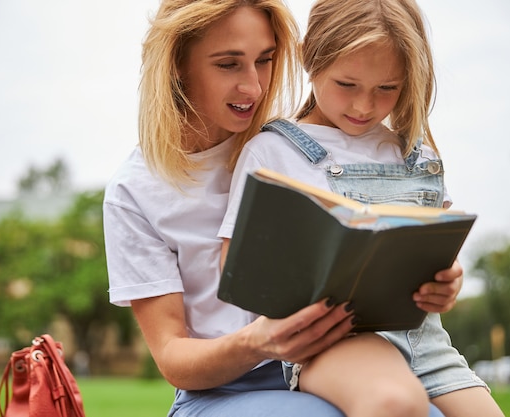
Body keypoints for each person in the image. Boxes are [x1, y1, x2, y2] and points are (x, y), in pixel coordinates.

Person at [218, 1, 505, 417]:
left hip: (427, 347)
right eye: (347, 85)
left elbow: (436, 258)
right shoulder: (272, 152)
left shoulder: (415, 153)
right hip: (333, 342)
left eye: (387, 88)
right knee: (392, 402)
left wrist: (448, 283)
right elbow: (235, 262)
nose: (363, 107)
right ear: (308, 58)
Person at [104, 1, 354, 416]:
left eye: (265, 60)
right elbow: (171, 356)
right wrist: (259, 341)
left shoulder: (289, 151)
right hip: (221, 395)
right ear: (177, 65)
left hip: (327, 370)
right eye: (228, 65)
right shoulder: (134, 192)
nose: (253, 87)